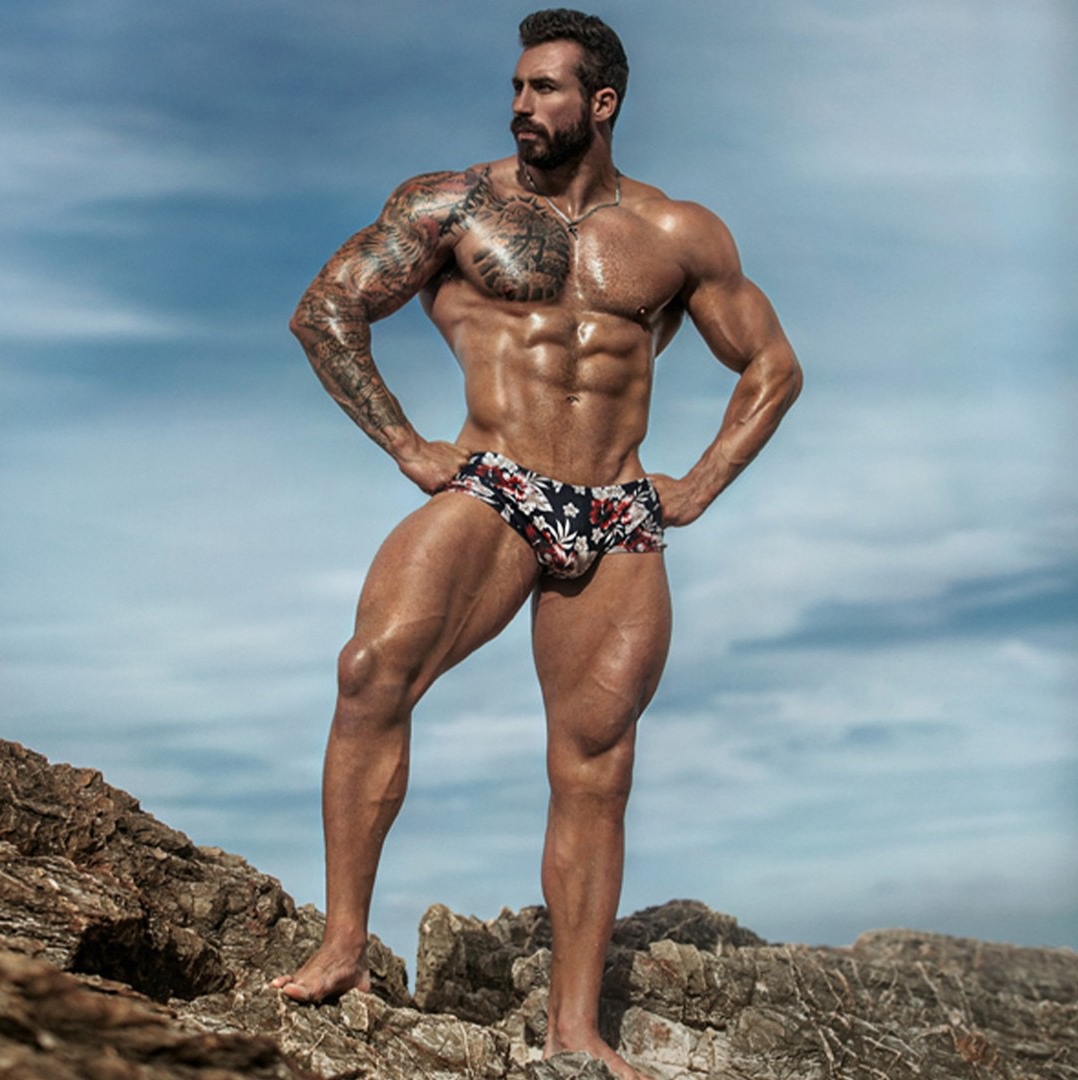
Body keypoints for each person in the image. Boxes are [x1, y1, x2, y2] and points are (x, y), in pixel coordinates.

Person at [271, 9, 802, 1079]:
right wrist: (408, 445)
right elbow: (326, 310)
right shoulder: (453, 205)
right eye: (517, 86)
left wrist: (699, 483)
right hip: (497, 482)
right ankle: (342, 947)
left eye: (545, 88)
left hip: (616, 513)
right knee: (371, 672)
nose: (521, 105)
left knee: (596, 765)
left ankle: (574, 1028)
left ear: (601, 103)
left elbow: (773, 366)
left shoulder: (677, 232)